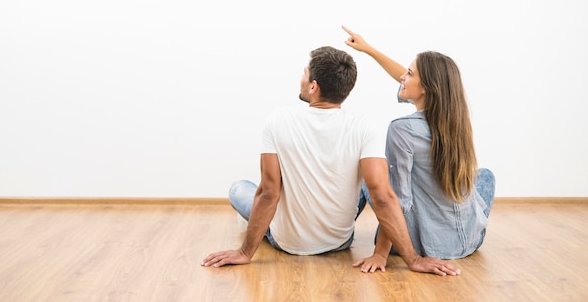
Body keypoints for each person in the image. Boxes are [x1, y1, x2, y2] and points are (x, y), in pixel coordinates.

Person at [202, 46, 460, 276]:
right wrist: (413, 260)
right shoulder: (364, 126)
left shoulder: (277, 120)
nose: (302, 78)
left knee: (239, 188)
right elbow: (382, 197)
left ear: (313, 86)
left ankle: (256, 224)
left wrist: (245, 252)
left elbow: (269, 193)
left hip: (288, 243)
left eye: (305, 73)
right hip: (339, 241)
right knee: (369, 183)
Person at [342, 26, 496, 260]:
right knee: (484, 176)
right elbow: (410, 78)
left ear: (426, 88)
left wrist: (380, 254)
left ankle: (336, 234)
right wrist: (369, 50)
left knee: (372, 179)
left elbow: (397, 199)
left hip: (420, 246)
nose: (403, 77)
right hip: (470, 241)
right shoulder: (457, 120)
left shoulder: (402, 129)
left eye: (410, 74)